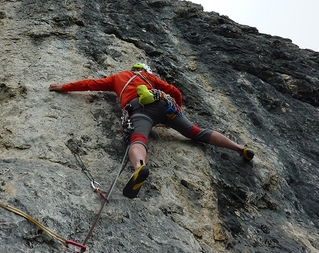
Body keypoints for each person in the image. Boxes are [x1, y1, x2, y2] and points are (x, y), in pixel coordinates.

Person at [49, 63, 254, 198]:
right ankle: (239, 148)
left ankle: (139, 167)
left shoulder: (118, 77)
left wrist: (63, 87)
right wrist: (178, 108)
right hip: (165, 105)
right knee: (195, 132)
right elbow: (174, 91)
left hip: (140, 108)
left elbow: (90, 84)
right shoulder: (149, 78)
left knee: (137, 137)